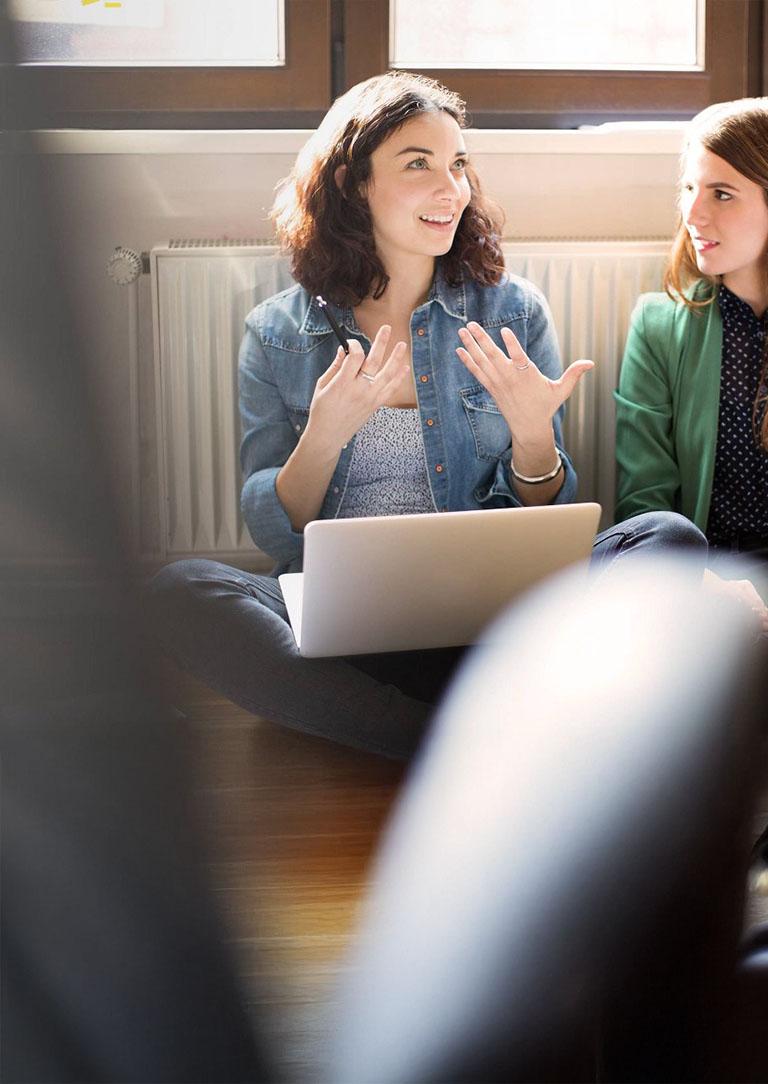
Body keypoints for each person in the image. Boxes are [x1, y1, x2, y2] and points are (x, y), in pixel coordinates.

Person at [152, 71, 703, 761]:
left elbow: (543, 509)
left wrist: (536, 440)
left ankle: (397, 723)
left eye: (458, 165)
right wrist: (323, 436)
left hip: (486, 618)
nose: (452, 189)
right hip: (349, 629)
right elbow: (273, 526)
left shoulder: (512, 312)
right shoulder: (279, 333)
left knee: (666, 538)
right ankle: (449, 741)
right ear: (355, 183)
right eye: (419, 165)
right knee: (181, 591)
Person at [616, 95, 768, 887]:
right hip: (726, 586)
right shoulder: (661, 326)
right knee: (651, 550)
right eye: (690, 187)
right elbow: (644, 503)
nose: (694, 212)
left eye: (722, 192)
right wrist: (709, 582)